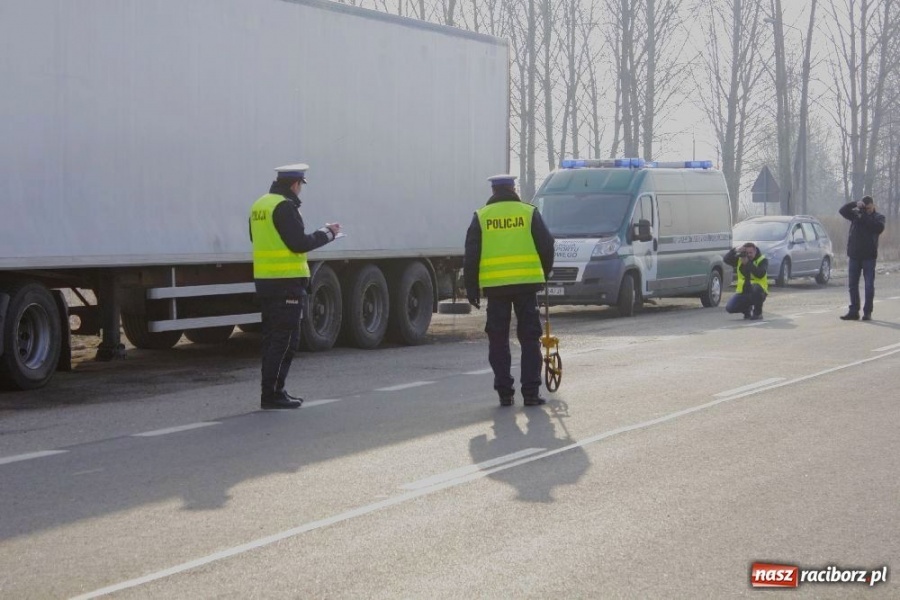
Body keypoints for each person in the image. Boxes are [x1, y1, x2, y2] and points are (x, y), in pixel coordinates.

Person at [249, 163, 341, 409]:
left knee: (271, 340)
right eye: (301, 185)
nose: (300, 190)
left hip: (266, 282)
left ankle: (271, 391)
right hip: (286, 284)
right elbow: (298, 243)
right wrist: (327, 234)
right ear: (295, 184)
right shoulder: (285, 206)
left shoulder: (260, 205)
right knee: (286, 340)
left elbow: (257, 240)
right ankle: (273, 394)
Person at [464, 174, 555, 406]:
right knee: (529, 339)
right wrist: (544, 273)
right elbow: (547, 245)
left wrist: (472, 288)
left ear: (493, 191)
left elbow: (471, 255)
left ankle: (505, 393)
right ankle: (531, 393)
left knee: (498, 340)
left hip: (496, 289)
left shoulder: (481, 217)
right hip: (526, 285)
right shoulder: (528, 212)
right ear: (513, 188)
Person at [838, 195, 886, 321]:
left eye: (869, 208)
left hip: (869, 257)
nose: (868, 210)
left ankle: (867, 312)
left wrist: (863, 215)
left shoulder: (878, 217)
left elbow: (878, 228)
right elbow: (842, 210)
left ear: (873, 206)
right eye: (866, 208)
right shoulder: (856, 214)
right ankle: (854, 311)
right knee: (852, 285)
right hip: (854, 255)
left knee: (869, 285)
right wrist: (855, 204)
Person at [723, 242, 768, 320]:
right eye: (747, 253)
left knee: (756, 289)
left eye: (751, 253)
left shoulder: (762, 260)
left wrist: (748, 263)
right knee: (730, 308)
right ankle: (746, 310)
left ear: (755, 251)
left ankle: (758, 313)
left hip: (759, 292)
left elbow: (760, 274)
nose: (749, 255)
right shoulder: (740, 259)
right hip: (743, 291)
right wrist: (735, 250)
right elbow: (726, 259)